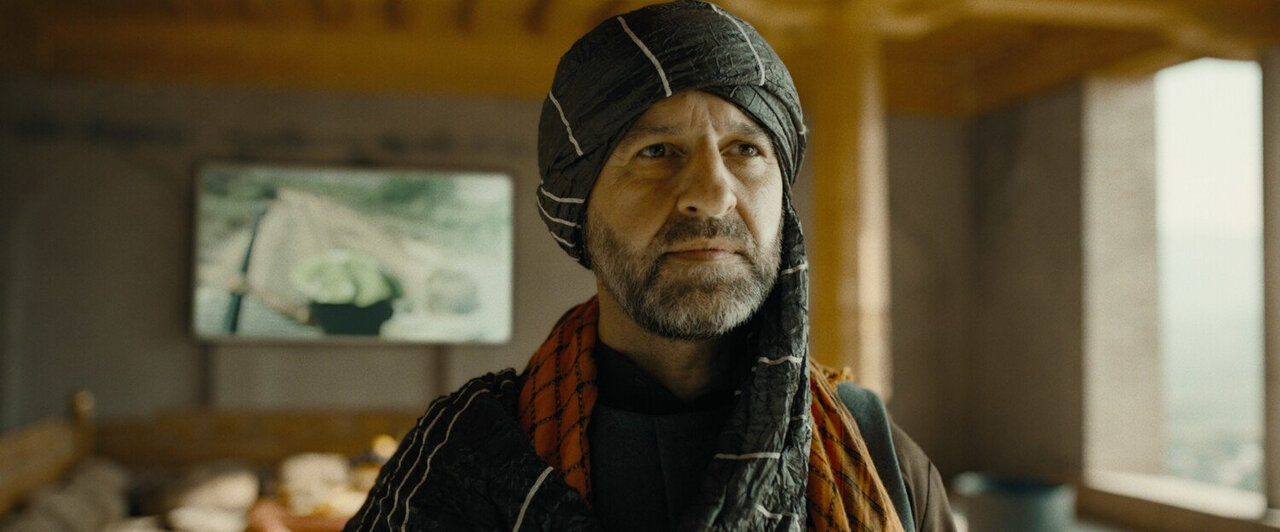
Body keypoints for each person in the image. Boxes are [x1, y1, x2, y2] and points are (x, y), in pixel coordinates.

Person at [345, 1, 954, 530]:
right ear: (580, 204)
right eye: (657, 151)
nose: (712, 194)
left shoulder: (875, 457)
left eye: (746, 149)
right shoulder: (463, 458)